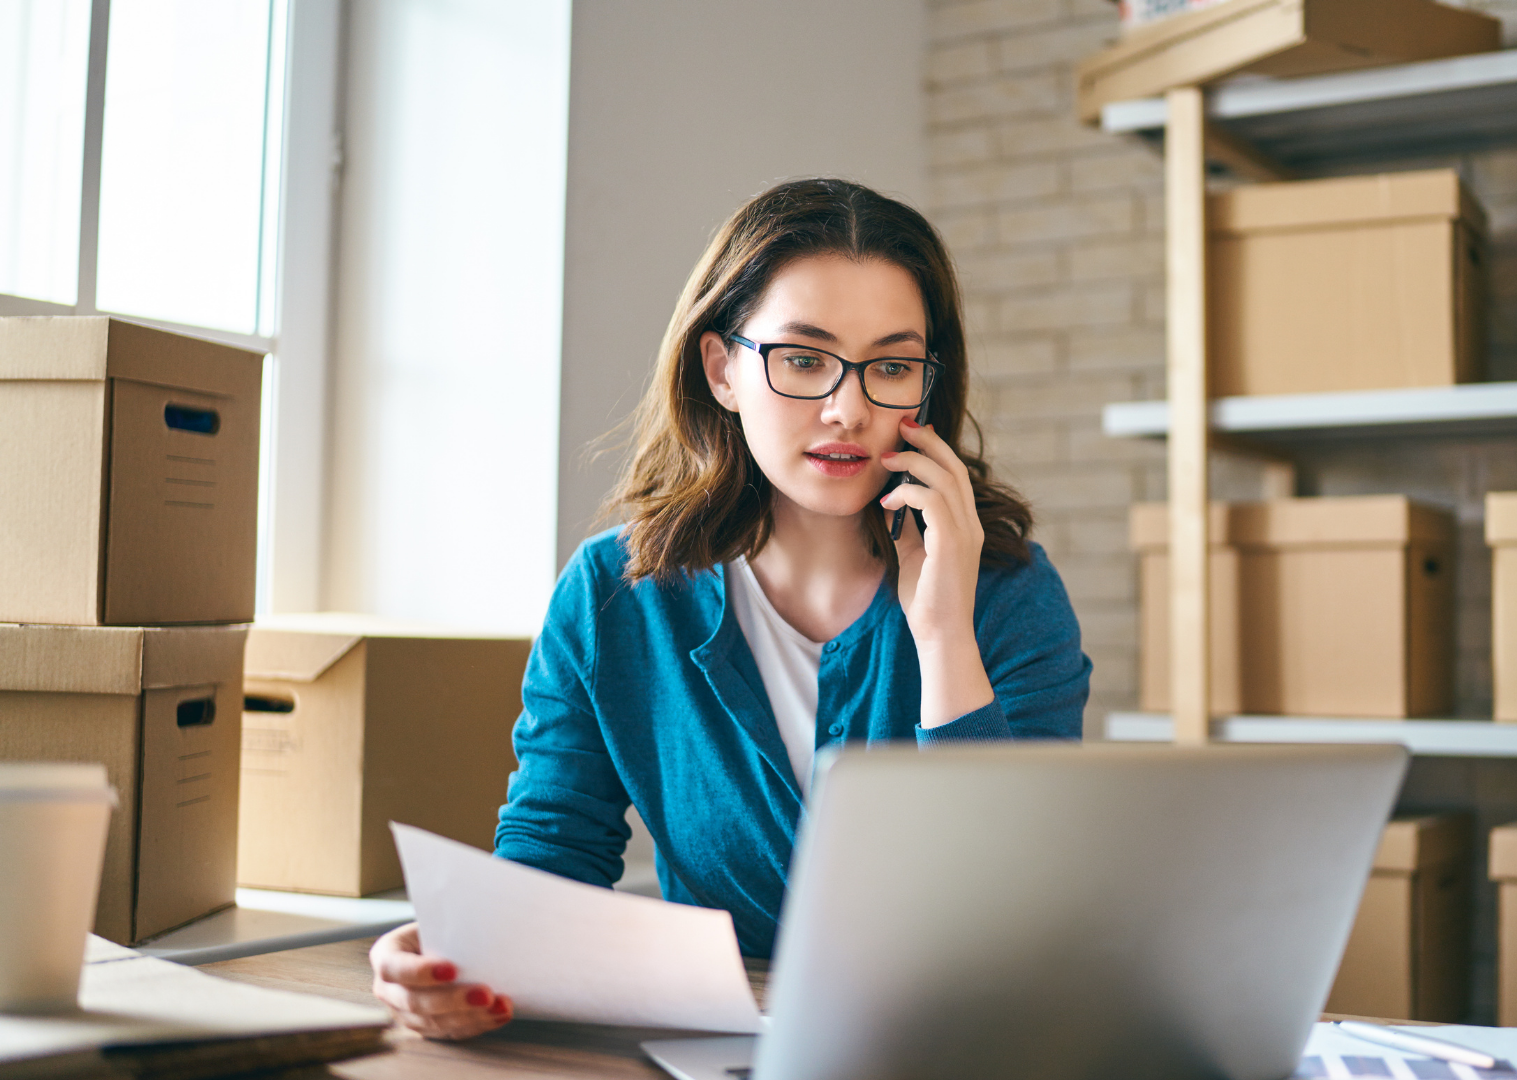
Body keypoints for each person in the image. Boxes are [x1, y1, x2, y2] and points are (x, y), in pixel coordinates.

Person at [367, 178, 1092, 1039]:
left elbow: (1015, 916)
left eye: (892, 366)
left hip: (957, 1048)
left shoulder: (1009, 591)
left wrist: (941, 639)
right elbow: (552, 855)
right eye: (803, 358)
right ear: (723, 370)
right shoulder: (614, 598)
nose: (848, 408)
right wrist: (462, 958)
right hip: (722, 1050)